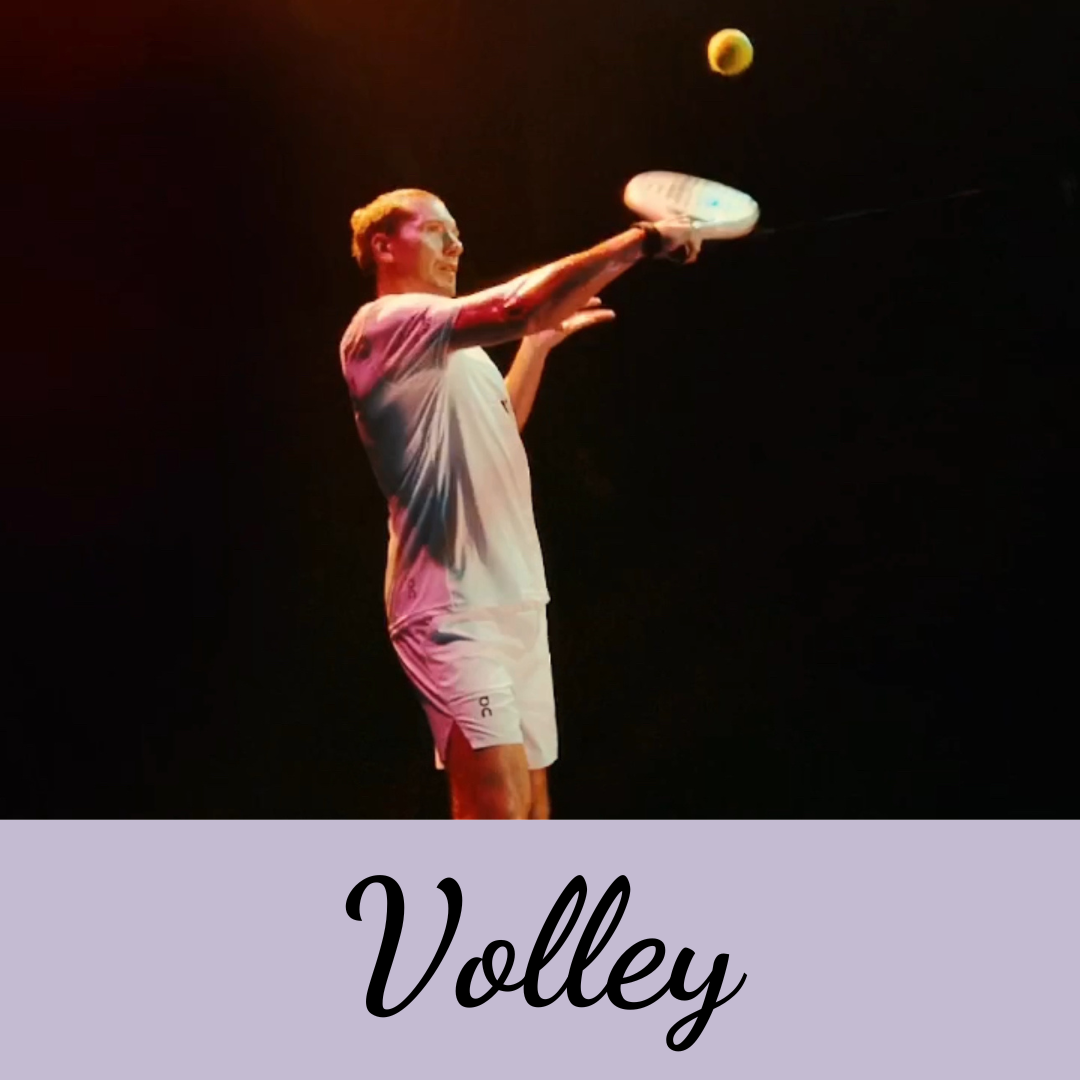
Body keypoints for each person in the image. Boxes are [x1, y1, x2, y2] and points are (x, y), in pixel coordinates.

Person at [340, 188, 700, 819]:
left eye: (457, 232)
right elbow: (519, 304)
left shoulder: (459, 354)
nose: (457, 246)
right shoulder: (384, 326)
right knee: (496, 810)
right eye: (437, 231)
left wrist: (535, 348)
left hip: (515, 599)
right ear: (384, 245)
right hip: (452, 607)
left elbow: (500, 424)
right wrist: (641, 242)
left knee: (533, 812)